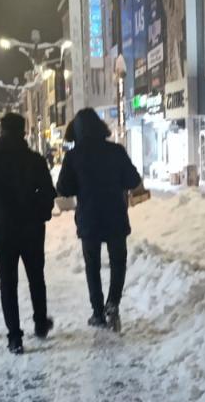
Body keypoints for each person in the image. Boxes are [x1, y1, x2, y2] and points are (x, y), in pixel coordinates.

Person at [0, 113, 56, 354]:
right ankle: (40, 324)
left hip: (2, 230)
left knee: (7, 282)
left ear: (1, 130)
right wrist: (42, 214)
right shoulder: (34, 160)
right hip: (31, 228)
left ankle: (14, 336)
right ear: (23, 131)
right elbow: (48, 193)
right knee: (36, 277)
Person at [56, 108, 142, 332]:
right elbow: (133, 180)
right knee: (118, 262)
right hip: (115, 215)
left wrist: (81, 184)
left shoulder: (74, 156)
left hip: (89, 219)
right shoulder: (116, 151)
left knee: (92, 266)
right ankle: (113, 304)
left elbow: (63, 188)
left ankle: (97, 313)